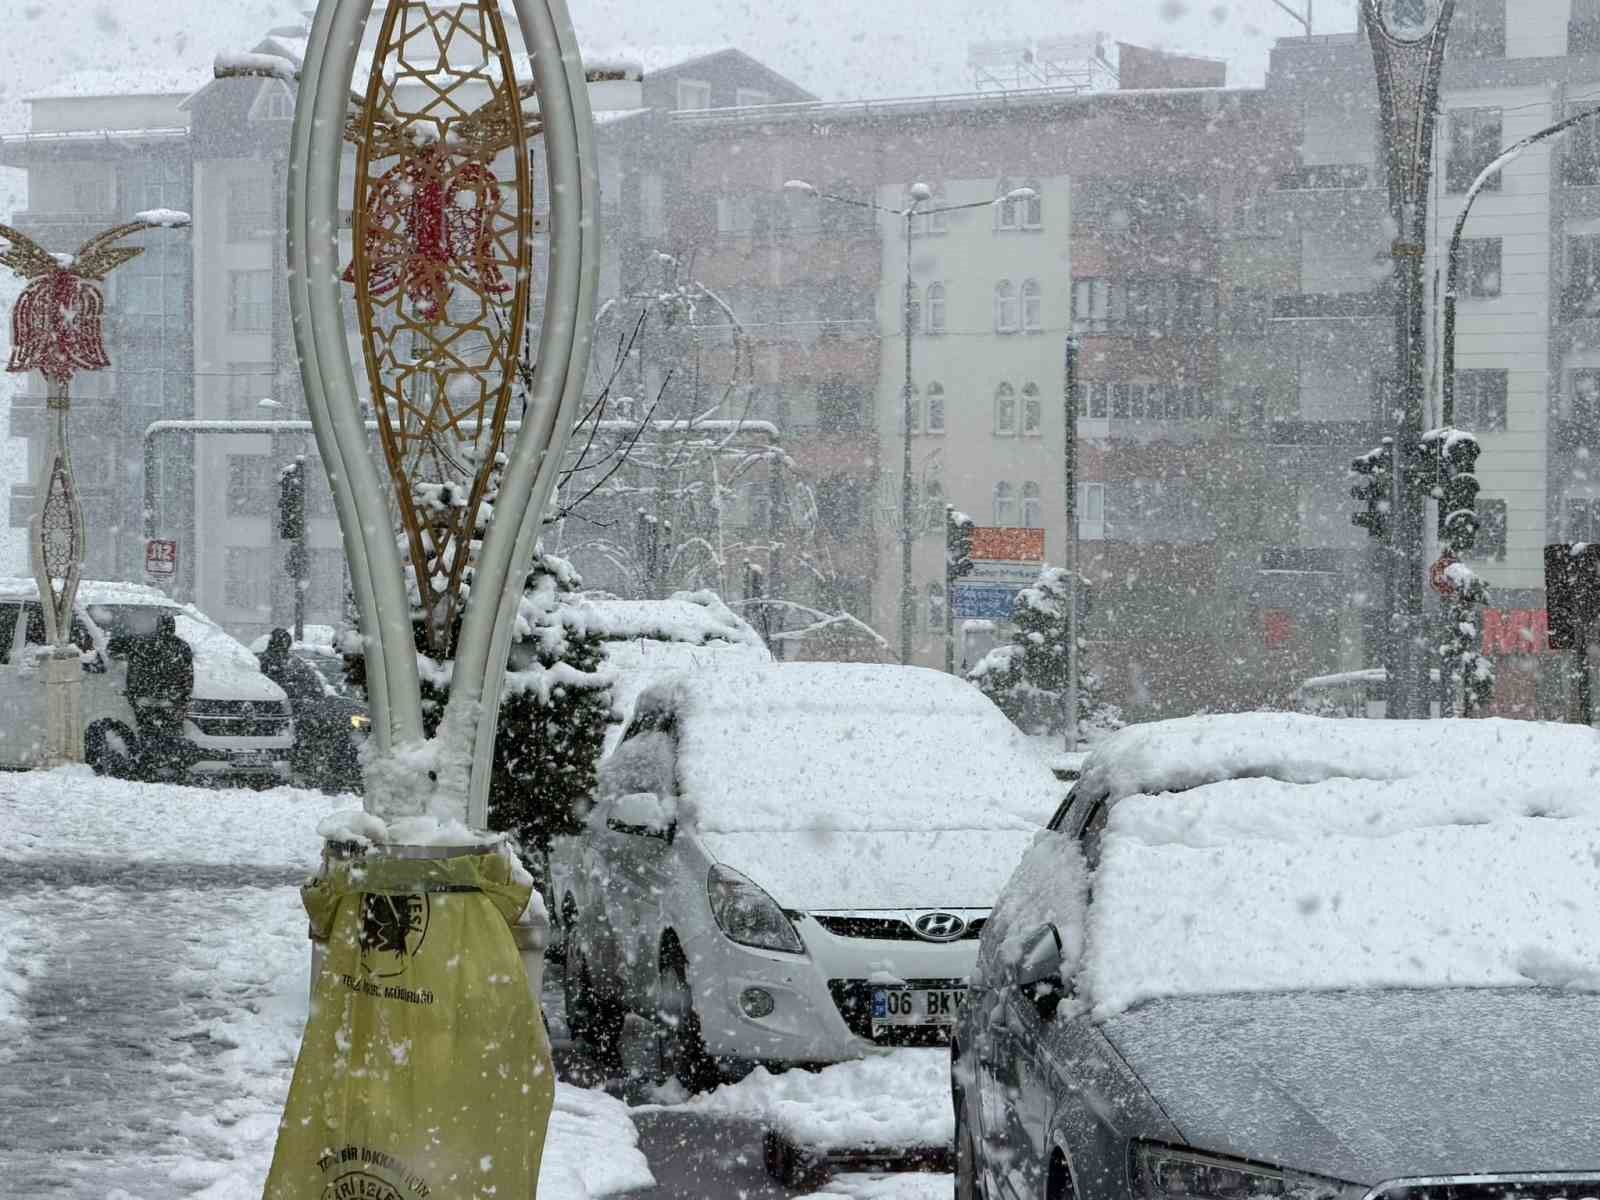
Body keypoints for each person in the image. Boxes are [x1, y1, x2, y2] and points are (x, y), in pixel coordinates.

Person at [116, 612, 194, 779]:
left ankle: (147, 767)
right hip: (170, 701)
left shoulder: (141, 642)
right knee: (171, 736)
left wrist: (133, 693)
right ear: (173, 627)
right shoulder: (181, 646)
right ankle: (171, 766)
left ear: (157, 625)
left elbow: (117, 651)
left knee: (147, 734)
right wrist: (183, 698)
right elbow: (188, 676)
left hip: (145, 700)